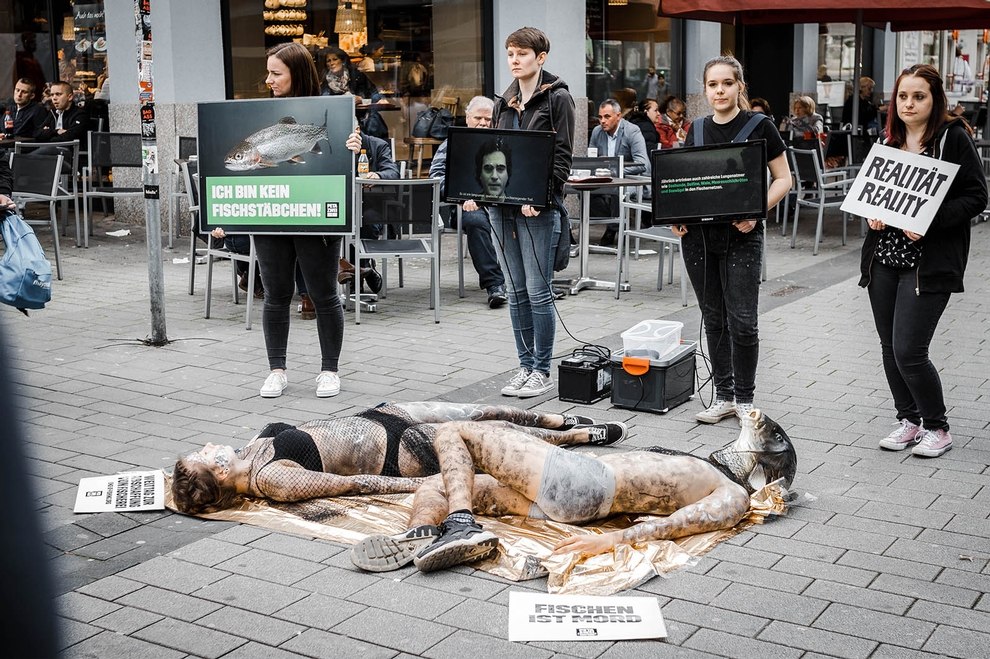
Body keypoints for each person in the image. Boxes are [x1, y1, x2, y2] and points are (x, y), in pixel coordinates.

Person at [350, 408, 796, 572]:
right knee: (439, 482)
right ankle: (423, 533)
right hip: (569, 496)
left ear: (758, 467)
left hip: (581, 482)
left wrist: (613, 540)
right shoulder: (709, 473)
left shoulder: (733, 494)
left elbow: (685, 523)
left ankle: (462, 525)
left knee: (453, 434)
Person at [170, 401, 614, 514]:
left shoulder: (247, 451)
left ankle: (555, 420)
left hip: (384, 415)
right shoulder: (274, 481)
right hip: (400, 453)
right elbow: (358, 485)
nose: (205, 447)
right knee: (494, 439)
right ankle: (574, 438)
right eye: (202, 455)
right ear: (221, 471)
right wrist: (426, 484)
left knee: (481, 410)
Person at [861, 64, 988, 458]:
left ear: (935, 101)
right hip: (884, 258)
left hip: (927, 263)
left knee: (909, 350)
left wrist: (932, 220)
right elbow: (873, 198)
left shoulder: (952, 139)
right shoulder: (887, 143)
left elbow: (977, 197)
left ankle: (937, 427)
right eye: (902, 96)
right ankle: (909, 420)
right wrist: (872, 214)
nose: (909, 103)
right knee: (888, 346)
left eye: (919, 96)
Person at [671, 55, 792, 424]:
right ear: (705, 89)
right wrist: (678, 216)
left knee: (743, 320)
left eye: (727, 83)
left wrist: (757, 212)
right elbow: (691, 181)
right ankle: (722, 396)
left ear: (740, 86)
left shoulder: (761, 125)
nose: (720, 90)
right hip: (699, 238)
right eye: (712, 85)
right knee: (714, 318)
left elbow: (784, 179)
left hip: (743, 236)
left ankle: (744, 399)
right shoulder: (698, 129)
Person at [253, 42, 345, 399]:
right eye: (269, 72)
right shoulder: (265, 114)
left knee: (324, 294)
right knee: (275, 293)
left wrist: (353, 144)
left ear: (298, 73)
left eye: (276, 73)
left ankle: (329, 370)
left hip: (316, 213)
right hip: (273, 215)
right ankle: (276, 370)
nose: (268, 80)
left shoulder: (332, 109)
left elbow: (353, 152)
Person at [489, 27, 575, 399]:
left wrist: (542, 196)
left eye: (522, 54)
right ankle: (524, 367)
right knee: (514, 290)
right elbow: (493, 150)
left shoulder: (558, 99)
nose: (514, 61)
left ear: (540, 58)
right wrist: (480, 191)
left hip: (538, 209)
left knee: (539, 292)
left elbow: (563, 157)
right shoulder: (503, 102)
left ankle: (542, 369)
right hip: (503, 208)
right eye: (510, 54)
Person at [429, 95, 507, 308]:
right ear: (467, 118)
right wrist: (461, 196)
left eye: (488, 119)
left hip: (502, 204)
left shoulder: (504, 142)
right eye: (478, 118)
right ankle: (495, 285)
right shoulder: (453, 143)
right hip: (467, 206)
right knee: (475, 221)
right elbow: (435, 177)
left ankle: (536, 282)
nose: (483, 123)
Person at [337, 125, 399, 294]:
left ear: (356, 130)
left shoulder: (377, 145)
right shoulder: (335, 147)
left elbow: (393, 172)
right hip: (341, 203)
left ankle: (358, 272)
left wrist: (377, 175)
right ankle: (364, 269)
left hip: (372, 204)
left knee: (364, 221)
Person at [589, 98, 650, 246]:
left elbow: (643, 163)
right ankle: (612, 223)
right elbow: (590, 159)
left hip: (631, 180)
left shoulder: (632, 131)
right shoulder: (597, 132)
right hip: (605, 180)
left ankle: (612, 229)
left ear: (619, 116)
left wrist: (614, 170)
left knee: (619, 189)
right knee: (584, 191)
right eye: (600, 117)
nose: (602, 121)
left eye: (607, 117)